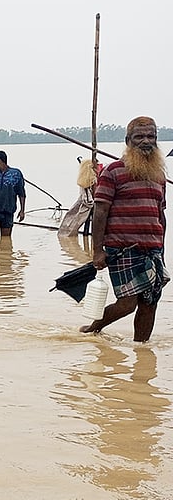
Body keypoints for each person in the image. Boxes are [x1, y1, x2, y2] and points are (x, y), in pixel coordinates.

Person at [81, 116, 169, 342]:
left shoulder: (159, 176)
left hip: (153, 250)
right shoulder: (112, 172)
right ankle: (94, 328)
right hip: (123, 249)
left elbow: (160, 214)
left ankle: (142, 349)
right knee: (127, 304)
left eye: (151, 136)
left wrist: (162, 248)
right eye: (139, 137)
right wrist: (97, 251)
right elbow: (99, 212)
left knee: (149, 302)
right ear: (128, 140)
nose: (146, 141)